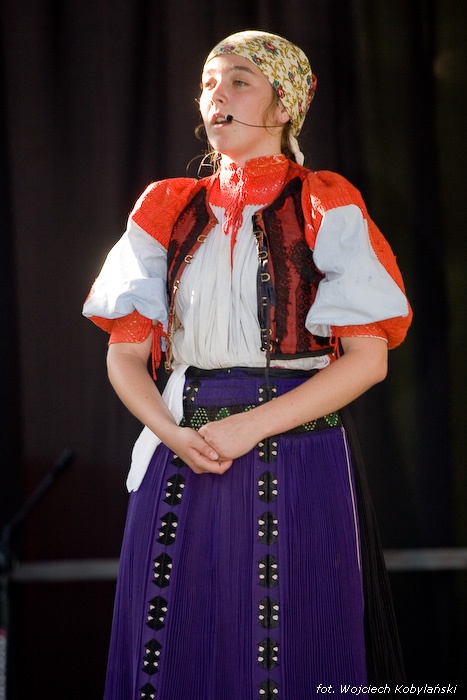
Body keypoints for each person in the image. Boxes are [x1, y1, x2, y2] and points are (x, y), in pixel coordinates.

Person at [83, 30, 412, 700]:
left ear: (283, 104)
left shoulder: (323, 201)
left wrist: (249, 427)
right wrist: (172, 434)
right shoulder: (167, 207)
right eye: (208, 83)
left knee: (291, 646)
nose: (216, 96)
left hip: (297, 450)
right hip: (182, 447)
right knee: (175, 646)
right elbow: (124, 354)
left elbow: (366, 361)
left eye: (238, 81)